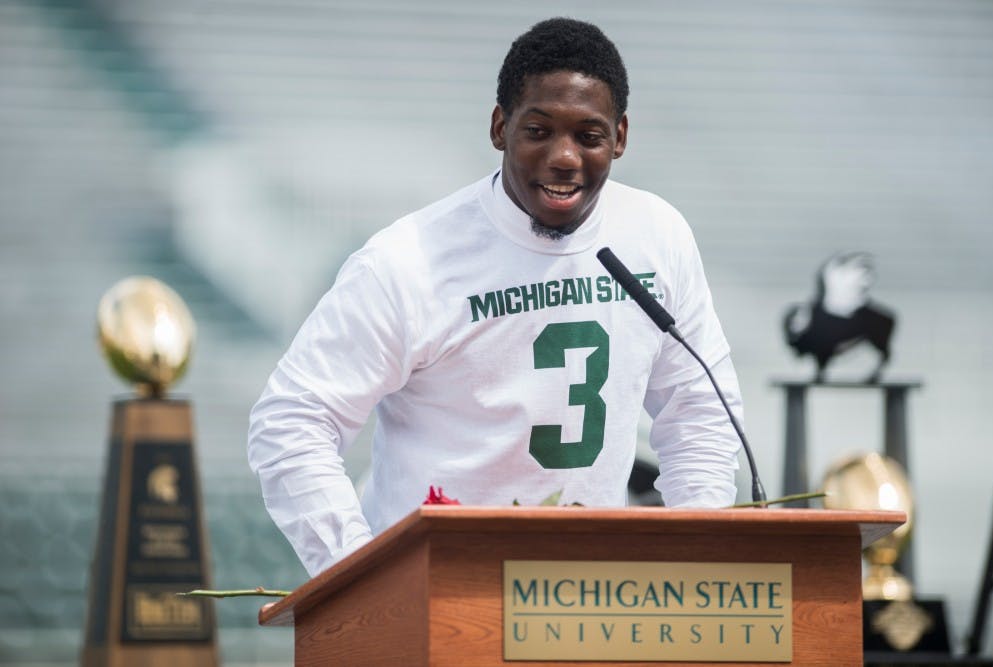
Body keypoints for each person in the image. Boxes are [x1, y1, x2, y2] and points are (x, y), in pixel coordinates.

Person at [248, 17, 744, 577]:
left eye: (589, 135)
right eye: (538, 130)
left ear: (620, 137)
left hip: (591, 600)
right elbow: (292, 420)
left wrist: (702, 562)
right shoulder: (407, 261)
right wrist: (359, 574)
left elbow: (700, 411)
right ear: (499, 127)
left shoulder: (657, 235)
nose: (564, 157)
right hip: (434, 598)